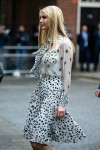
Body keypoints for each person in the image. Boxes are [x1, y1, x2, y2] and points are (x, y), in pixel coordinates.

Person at [24, 6, 85, 150]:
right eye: (40, 17)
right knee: (34, 141)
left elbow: (67, 77)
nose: (41, 21)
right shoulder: (47, 41)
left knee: (38, 142)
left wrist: (62, 104)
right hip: (40, 91)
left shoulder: (64, 44)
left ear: (54, 19)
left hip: (53, 92)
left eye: (44, 17)